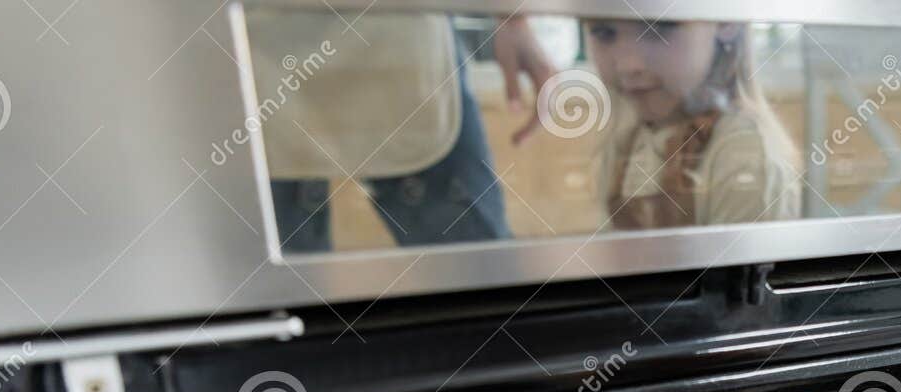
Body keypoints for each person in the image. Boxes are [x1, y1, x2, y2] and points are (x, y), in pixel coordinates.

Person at [271, 16, 554, 251]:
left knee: (478, 274)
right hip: (260, 51)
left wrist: (512, 18)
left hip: (400, 38)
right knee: (277, 295)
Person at [584, 19, 801, 230]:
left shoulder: (743, 152)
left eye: (660, 28)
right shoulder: (626, 140)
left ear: (726, 22)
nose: (628, 66)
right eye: (604, 33)